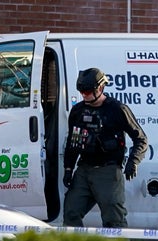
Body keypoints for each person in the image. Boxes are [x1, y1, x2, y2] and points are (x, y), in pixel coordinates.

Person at [62, 67, 148, 228]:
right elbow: (72, 144)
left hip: (108, 172)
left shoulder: (116, 109)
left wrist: (133, 161)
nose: (84, 95)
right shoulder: (78, 111)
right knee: (71, 212)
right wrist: (68, 169)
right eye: (81, 91)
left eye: (88, 91)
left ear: (101, 88)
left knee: (113, 219)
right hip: (84, 170)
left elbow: (141, 139)